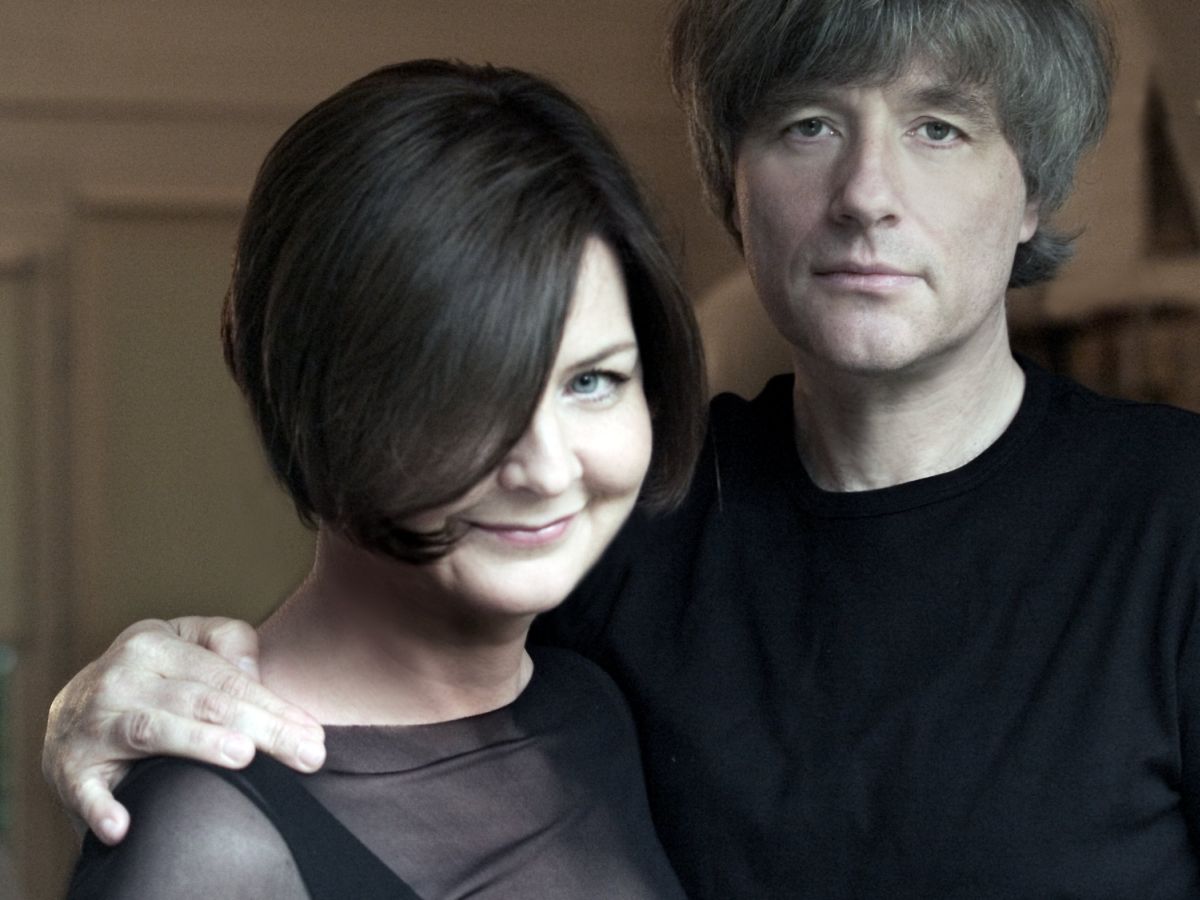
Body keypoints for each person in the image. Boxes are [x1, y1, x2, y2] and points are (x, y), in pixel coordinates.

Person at [46, 0, 1200, 896]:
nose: (865, 194)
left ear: (1033, 190)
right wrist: (113, 708)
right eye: (807, 124)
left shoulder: (1175, 519)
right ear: (733, 185)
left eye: (938, 128)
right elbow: (370, 681)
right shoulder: (619, 520)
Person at [63, 58, 705, 899]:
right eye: (469, 392)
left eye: (592, 381)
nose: (548, 469)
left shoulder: (589, 707)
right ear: (322, 397)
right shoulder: (208, 837)